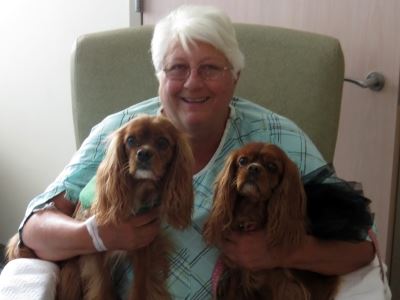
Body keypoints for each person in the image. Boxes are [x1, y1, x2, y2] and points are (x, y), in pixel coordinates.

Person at [17, 4, 374, 299]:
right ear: (159, 77)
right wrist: (97, 235)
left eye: (210, 68)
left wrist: (283, 252)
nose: (192, 83)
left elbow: (361, 247)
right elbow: (33, 230)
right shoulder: (117, 134)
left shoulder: (277, 137)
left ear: (235, 76)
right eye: (177, 68)